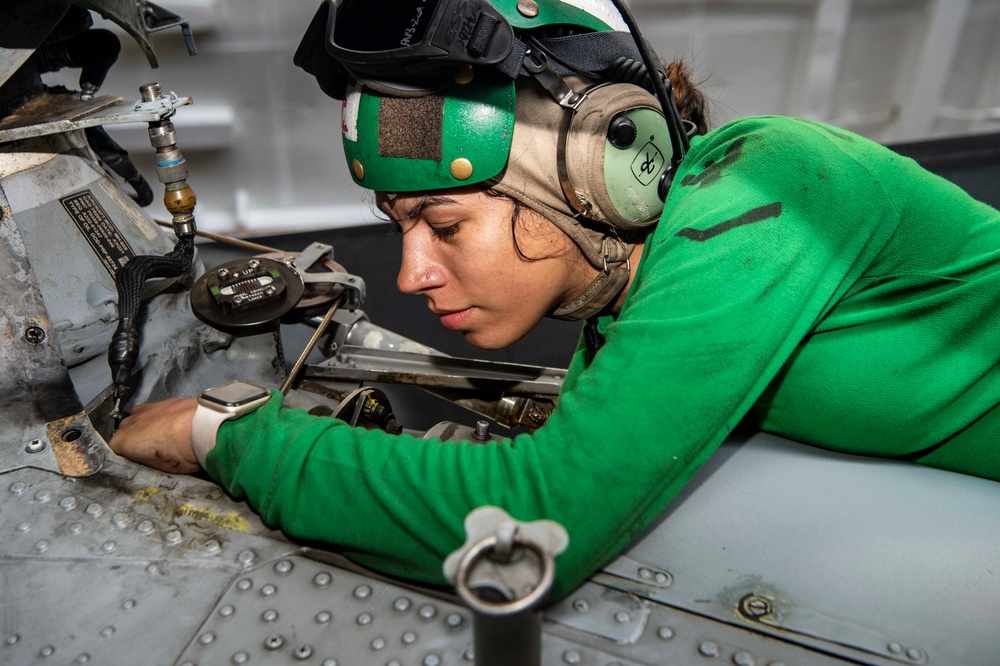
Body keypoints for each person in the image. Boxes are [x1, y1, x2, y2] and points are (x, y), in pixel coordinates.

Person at [109, 0, 1000, 599]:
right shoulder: (632, 316)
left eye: (444, 225)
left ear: (594, 172)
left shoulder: (772, 183)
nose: (411, 272)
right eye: (400, 226)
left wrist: (222, 435)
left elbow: (540, 513)